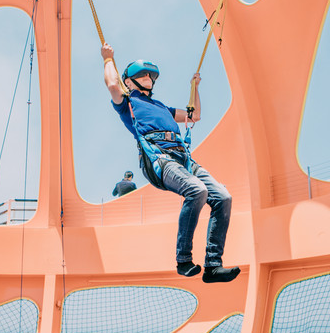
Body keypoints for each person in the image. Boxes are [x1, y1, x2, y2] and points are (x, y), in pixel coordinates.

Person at [101, 43, 240, 283]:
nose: (147, 78)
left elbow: (193, 116)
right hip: (158, 157)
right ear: (130, 81)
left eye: (150, 75)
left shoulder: (161, 106)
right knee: (197, 190)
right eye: (142, 75)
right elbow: (113, 84)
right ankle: (183, 259)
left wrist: (194, 87)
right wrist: (108, 59)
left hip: (183, 158)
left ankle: (213, 266)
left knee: (223, 197)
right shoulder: (127, 103)